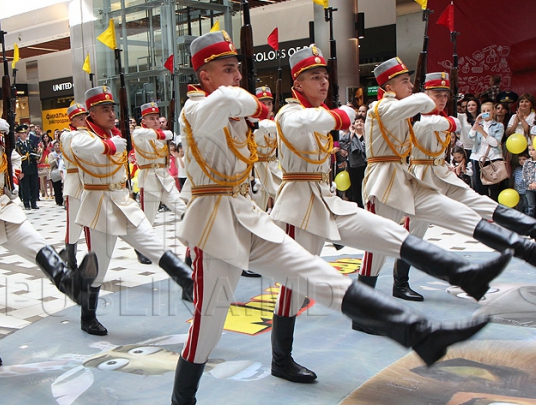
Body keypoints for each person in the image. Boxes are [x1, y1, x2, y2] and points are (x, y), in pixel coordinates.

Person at [170, 33, 492, 405]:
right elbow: (233, 99)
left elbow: (246, 109)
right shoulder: (196, 108)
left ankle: (420, 333)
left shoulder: (231, 109)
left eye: (238, 69)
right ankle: (183, 401)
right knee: (208, 324)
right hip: (213, 225)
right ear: (204, 76)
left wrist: (263, 114)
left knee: (318, 276)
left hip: (246, 214)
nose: (238, 76)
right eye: (228, 69)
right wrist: (260, 110)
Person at [268, 50, 509, 385]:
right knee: (296, 284)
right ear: (297, 83)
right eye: (314, 77)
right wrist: (341, 114)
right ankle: (281, 359)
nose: (323, 82)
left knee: (385, 232)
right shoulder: (291, 113)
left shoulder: (320, 111)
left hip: (326, 199)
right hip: (298, 204)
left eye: (325, 76)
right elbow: (305, 124)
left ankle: (462, 272)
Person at [0, 77, 97, 366]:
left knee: (37, 244)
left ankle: (71, 283)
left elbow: (10, 160)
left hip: (3, 205)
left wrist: (11, 176)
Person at [358, 66, 535, 302]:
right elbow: (432, 123)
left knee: (469, 208)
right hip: (409, 176)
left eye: (445, 95)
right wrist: (447, 118)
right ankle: (386, 291)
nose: (442, 99)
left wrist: (451, 120)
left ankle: (525, 237)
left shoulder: (414, 111)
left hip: (429, 175)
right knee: (398, 237)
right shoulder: (396, 111)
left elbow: (458, 131)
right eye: (437, 95)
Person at [69, 86, 194, 336]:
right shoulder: (84, 135)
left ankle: (188, 283)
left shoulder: (114, 133)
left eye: (112, 109)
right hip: (99, 207)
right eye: (105, 109)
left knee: (153, 245)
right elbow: (79, 146)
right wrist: (109, 146)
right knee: (99, 267)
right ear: (91, 113)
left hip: (123, 203)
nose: (111, 114)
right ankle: (87, 316)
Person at [132, 102, 187, 226]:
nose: (156, 121)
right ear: (144, 121)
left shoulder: (162, 136)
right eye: (151, 119)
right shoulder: (140, 133)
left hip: (165, 180)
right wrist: (163, 134)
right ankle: (140, 245)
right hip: (149, 182)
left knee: (184, 210)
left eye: (157, 118)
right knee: (147, 221)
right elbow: (139, 134)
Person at [59, 103, 88, 271]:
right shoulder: (68, 135)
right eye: (80, 119)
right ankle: (71, 260)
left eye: (86, 118)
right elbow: (73, 143)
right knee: (73, 226)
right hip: (75, 183)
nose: (85, 121)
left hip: (90, 183)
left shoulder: (89, 134)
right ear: (72, 121)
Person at [251, 86, 281, 213]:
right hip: (258, 167)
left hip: (273, 166)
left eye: (269, 103)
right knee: (258, 205)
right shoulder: (254, 123)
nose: (267, 107)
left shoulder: (275, 121)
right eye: (263, 104)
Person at [469, 101, 505, 200]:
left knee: (493, 186)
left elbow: (495, 143)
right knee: (479, 186)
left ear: (493, 111)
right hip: (477, 157)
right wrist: (476, 123)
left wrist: (482, 132)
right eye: (483, 111)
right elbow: (470, 136)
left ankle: (493, 210)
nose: (486, 113)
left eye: (488, 111)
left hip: (493, 157)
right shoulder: (479, 124)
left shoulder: (499, 125)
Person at [15, 124, 41, 210]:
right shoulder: (17, 145)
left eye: (25, 133)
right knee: (25, 187)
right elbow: (17, 159)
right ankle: (26, 203)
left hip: (32, 167)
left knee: (34, 185)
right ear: (18, 134)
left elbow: (34, 153)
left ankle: (34, 203)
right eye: (22, 133)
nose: (24, 135)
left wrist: (37, 156)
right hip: (24, 169)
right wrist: (20, 171)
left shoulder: (30, 143)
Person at [48, 140, 64, 206]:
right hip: (55, 172)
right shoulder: (51, 154)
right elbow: (50, 163)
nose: (57, 147)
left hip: (62, 172)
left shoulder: (63, 154)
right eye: (56, 146)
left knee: (62, 187)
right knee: (56, 187)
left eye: (58, 146)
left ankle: (63, 200)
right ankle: (58, 201)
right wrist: (56, 160)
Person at [524, 145, 536, 217]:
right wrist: (529, 184)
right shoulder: (527, 162)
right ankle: (531, 223)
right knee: (531, 206)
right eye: (529, 150)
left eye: (533, 150)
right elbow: (524, 174)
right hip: (530, 188)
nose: (531, 152)